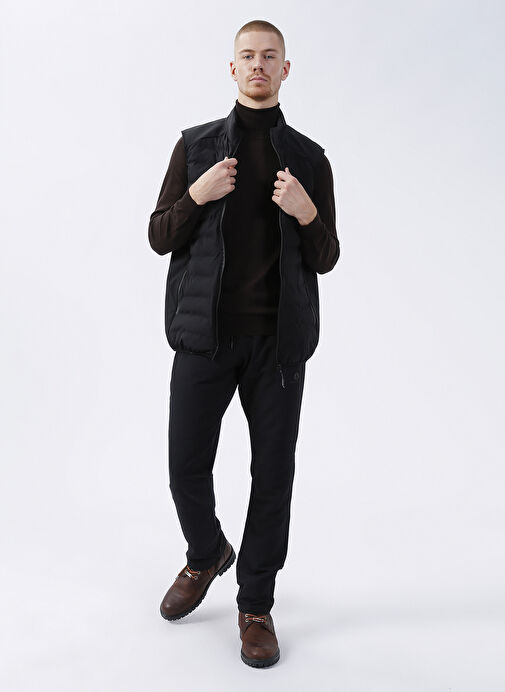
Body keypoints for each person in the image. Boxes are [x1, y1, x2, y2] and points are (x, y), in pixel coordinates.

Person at [148, 19, 340, 668]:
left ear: (285, 69)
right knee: (184, 467)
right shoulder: (195, 146)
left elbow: (327, 255)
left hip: (277, 347)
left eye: (269, 56)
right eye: (248, 56)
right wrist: (196, 195)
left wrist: (306, 212)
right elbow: (159, 234)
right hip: (203, 339)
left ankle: (255, 606)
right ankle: (206, 554)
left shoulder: (309, 160)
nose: (258, 65)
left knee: (273, 476)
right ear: (232, 68)